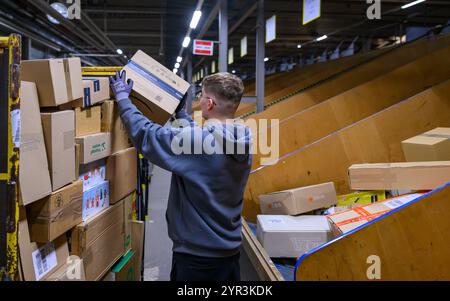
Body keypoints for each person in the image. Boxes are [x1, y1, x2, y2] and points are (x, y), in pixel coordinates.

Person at [110, 71, 252, 281]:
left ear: (210, 103)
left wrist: (123, 100)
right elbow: (203, 140)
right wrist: (182, 115)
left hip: (197, 260)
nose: (199, 100)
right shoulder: (243, 140)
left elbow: (149, 135)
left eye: (201, 96)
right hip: (229, 255)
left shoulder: (197, 142)